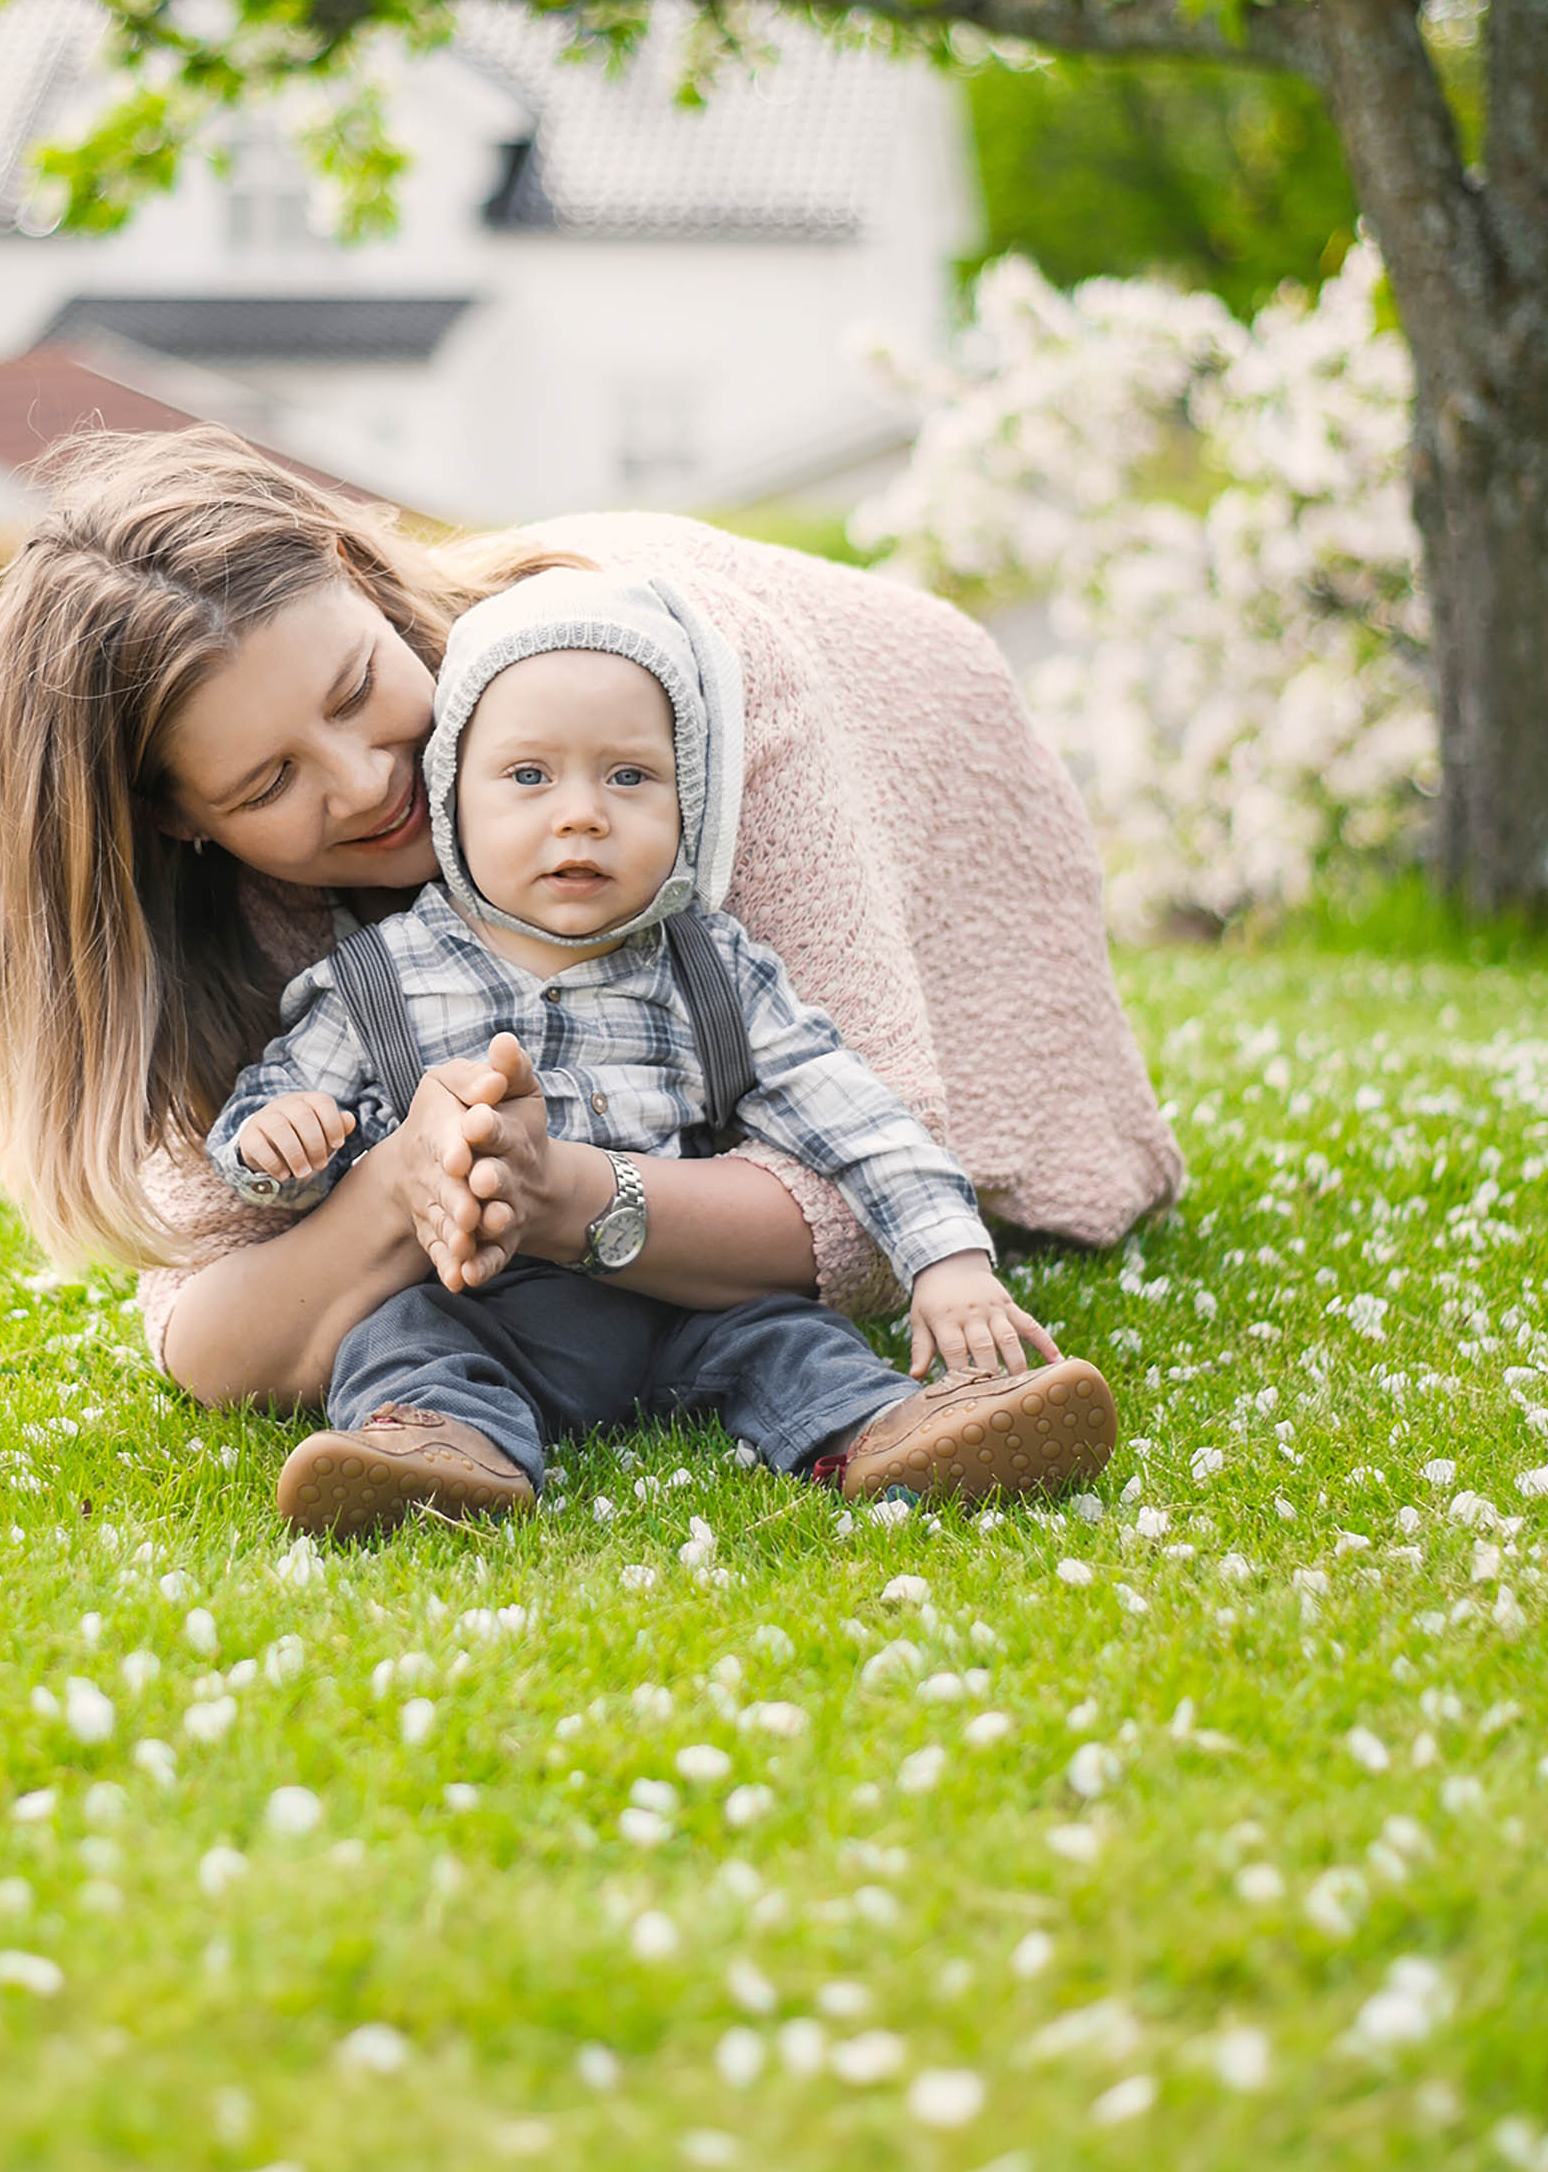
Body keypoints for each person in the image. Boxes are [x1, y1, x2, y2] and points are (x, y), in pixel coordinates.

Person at [0, 426, 1182, 1430]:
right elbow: (210, 1330)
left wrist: (559, 1194)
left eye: (361, 690)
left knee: (912, 1180)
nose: (366, 783)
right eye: (266, 784)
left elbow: (853, 1205)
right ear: (175, 826)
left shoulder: (664, 718)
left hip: (898, 716)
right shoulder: (235, 911)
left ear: (364, 579)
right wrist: (389, 1189)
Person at [201, 566, 1118, 1532]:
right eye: (527, 777)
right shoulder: (374, 980)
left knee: (793, 1339)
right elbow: (273, 1120)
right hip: (485, 1305)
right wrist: (280, 1140)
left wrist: (948, 1260)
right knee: (399, 1337)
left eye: (630, 776)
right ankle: (440, 1446)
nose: (583, 813)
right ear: (450, 794)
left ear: (692, 801)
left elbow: (857, 1113)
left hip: (681, 1295)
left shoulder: (716, 970)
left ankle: (884, 1432)